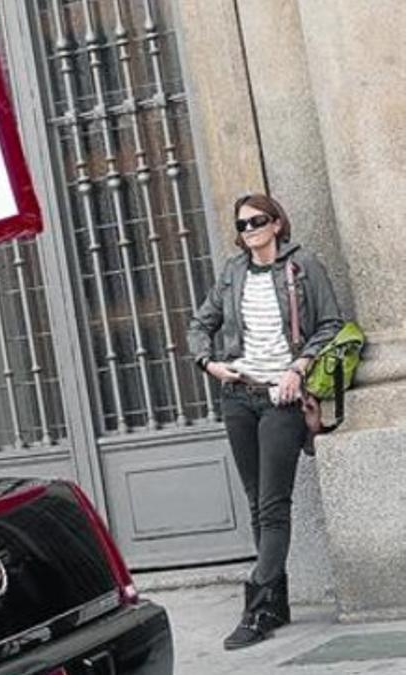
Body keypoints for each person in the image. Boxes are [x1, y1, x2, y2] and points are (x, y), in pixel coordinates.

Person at [188, 193, 342, 650]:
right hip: (238, 395)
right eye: (242, 224)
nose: (249, 230)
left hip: (282, 399)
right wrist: (209, 364)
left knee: (274, 505)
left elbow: (330, 324)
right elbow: (200, 324)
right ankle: (276, 602)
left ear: (276, 223)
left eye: (257, 221)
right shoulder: (234, 273)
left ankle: (255, 609)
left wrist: (298, 367)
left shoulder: (303, 266)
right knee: (257, 502)